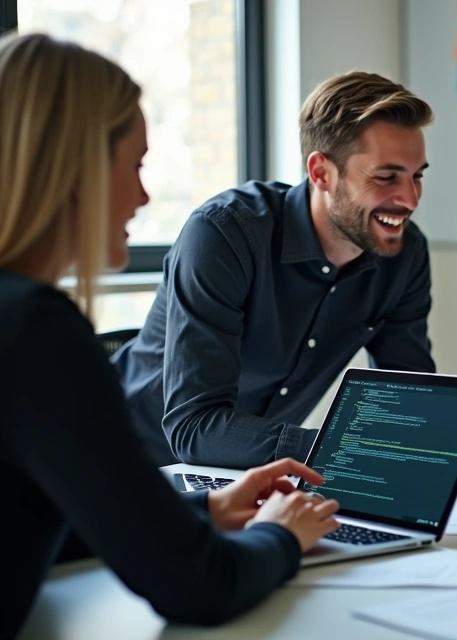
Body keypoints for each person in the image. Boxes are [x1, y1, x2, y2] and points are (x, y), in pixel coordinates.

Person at [0, 33, 343, 637]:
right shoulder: (38, 333)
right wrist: (282, 536)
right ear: (73, 172)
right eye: (133, 166)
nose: (143, 196)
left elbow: (27, 518)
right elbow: (198, 585)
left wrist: (204, 510)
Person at [113, 71, 457, 471]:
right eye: (386, 177)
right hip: (125, 463)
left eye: (417, 176)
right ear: (321, 172)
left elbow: (406, 398)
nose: (410, 199)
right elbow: (194, 427)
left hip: (246, 476)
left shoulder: (405, 254)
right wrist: (346, 446)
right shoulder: (223, 234)